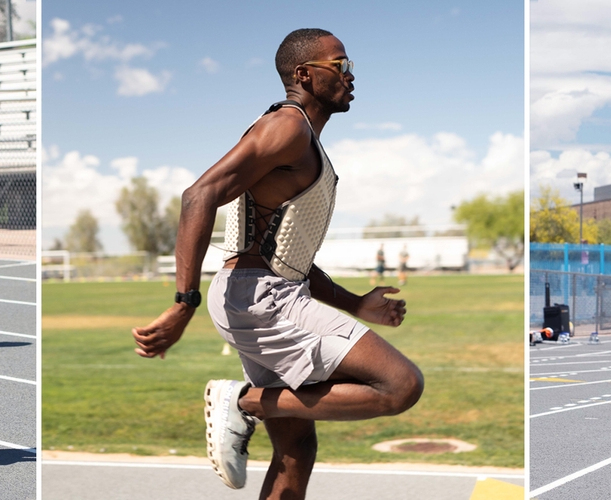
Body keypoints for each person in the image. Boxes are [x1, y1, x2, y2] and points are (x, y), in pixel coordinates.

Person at [131, 29, 422, 499]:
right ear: (304, 74)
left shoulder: (303, 140)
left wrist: (354, 303)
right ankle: (241, 402)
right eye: (341, 66)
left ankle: (249, 403)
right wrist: (184, 303)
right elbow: (198, 195)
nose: (351, 76)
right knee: (400, 385)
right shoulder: (287, 127)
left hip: (266, 293)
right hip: (261, 300)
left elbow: (289, 258)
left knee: (296, 449)